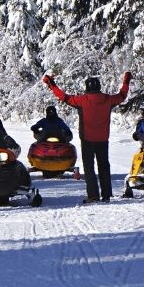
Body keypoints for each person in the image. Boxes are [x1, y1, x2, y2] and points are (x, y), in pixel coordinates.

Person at [44, 71, 131, 203]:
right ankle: (107, 194)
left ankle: (93, 195)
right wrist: (126, 81)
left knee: (89, 167)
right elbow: (122, 95)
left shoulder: (81, 100)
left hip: (87, 139)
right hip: (103, 139)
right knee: (104, 166)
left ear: (87, 88)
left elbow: (64, 97)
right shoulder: (108, 100)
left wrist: (51, 84)